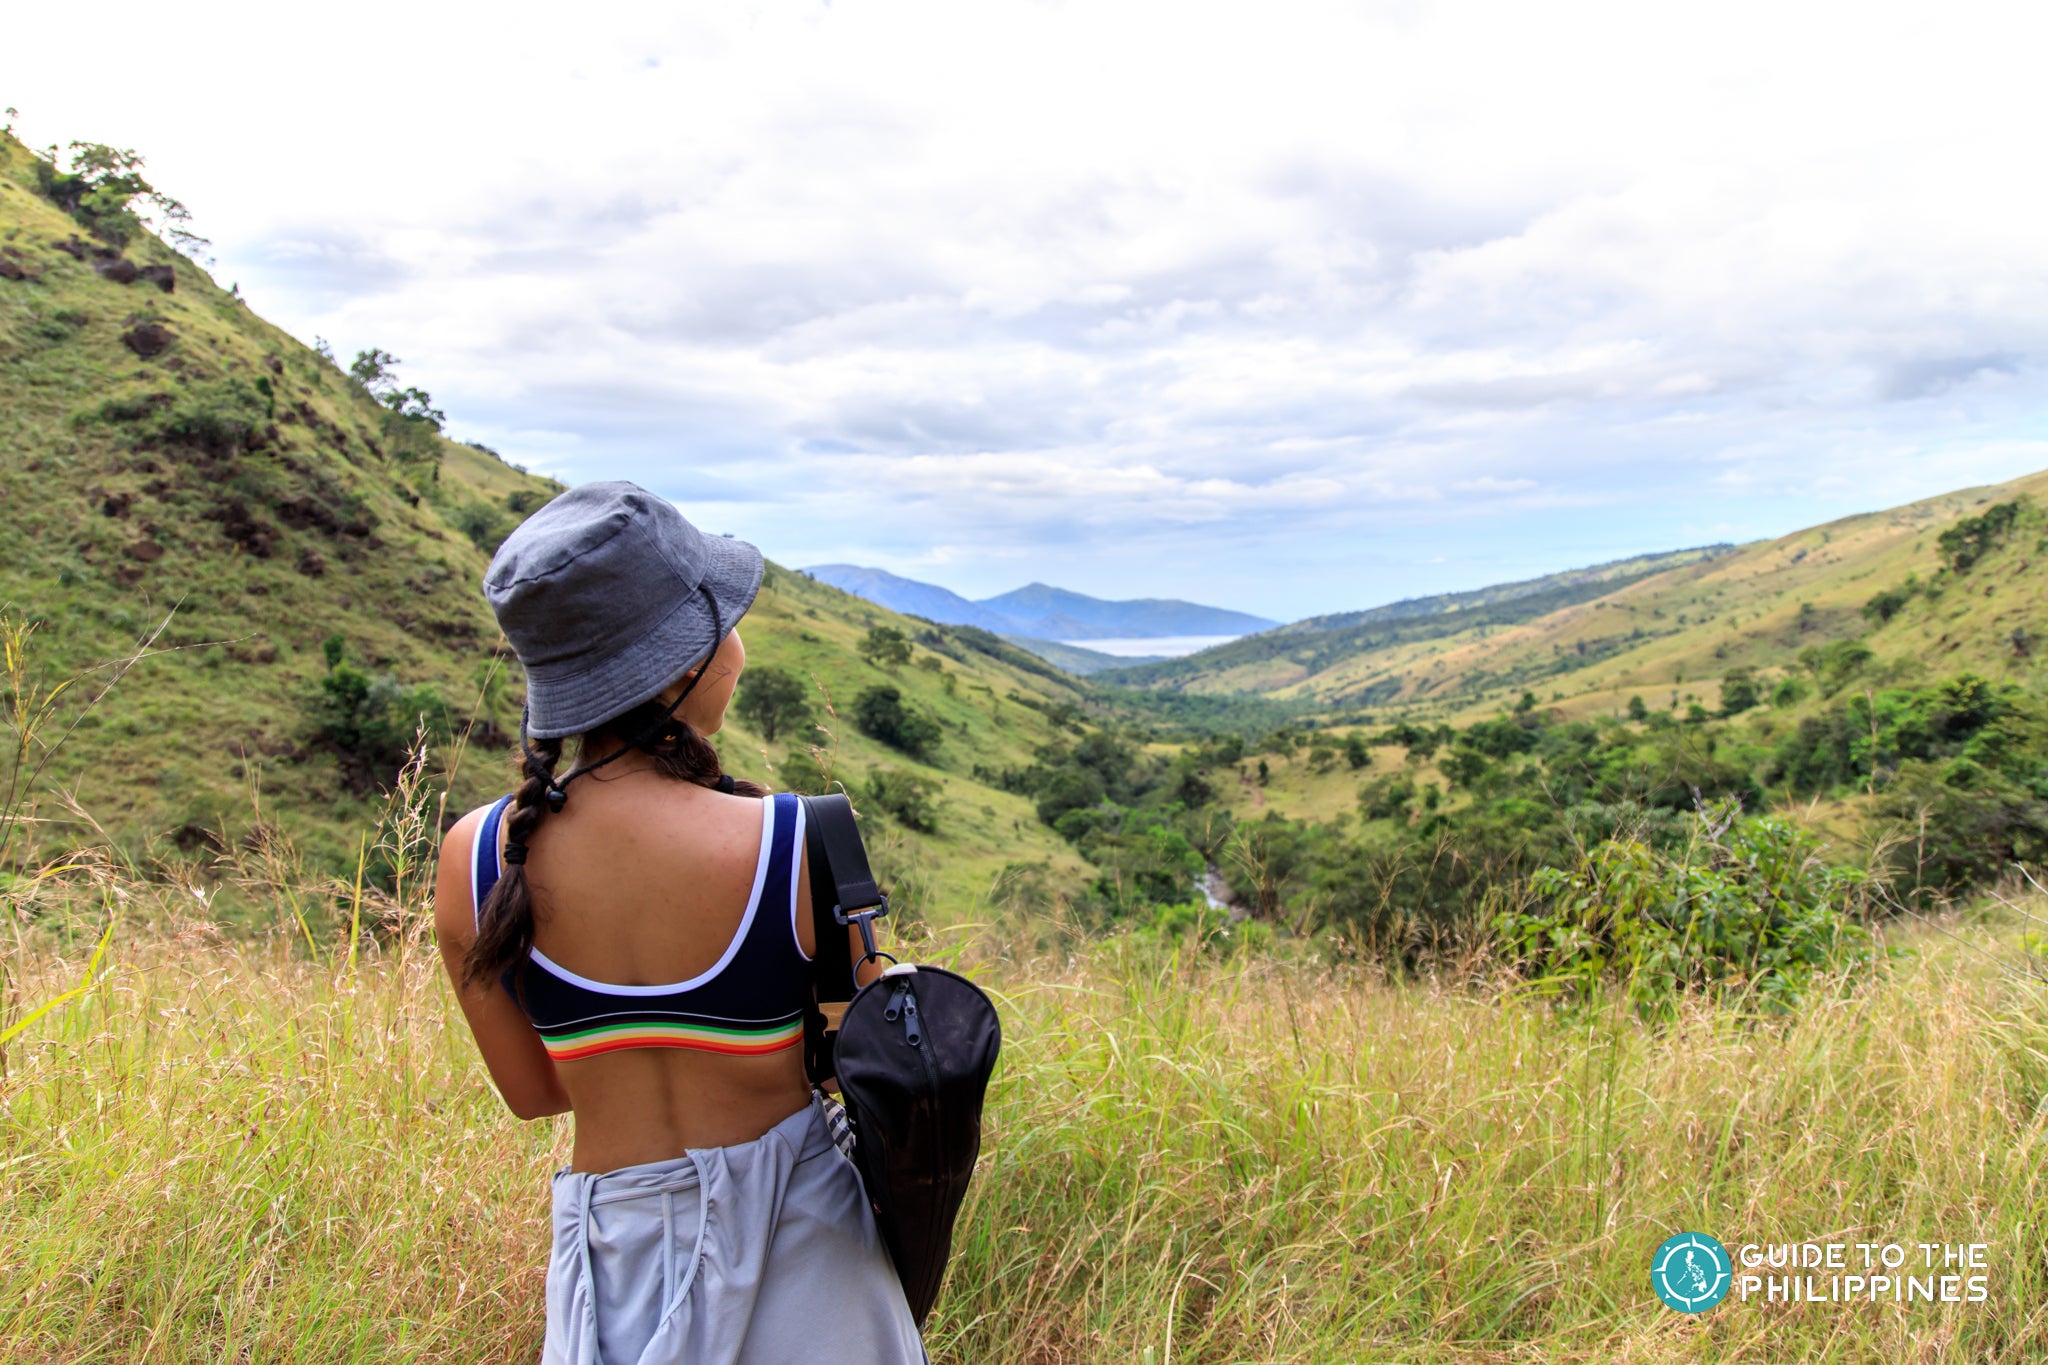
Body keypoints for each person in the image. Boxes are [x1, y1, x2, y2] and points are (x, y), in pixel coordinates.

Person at [432, 482, 924, 1364]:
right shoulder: (799, 839)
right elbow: (874, 1072)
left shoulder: (473, 861)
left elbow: (533, 1093)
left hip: (614, 1266)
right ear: (678, 667)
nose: (736, 644)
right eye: (723, 622)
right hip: (807, 1253)